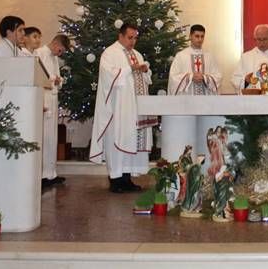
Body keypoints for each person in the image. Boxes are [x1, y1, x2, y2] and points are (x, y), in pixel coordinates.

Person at [89, 23, 154, 193]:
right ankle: (115, 179)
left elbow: (145, 78)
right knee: (118, 138)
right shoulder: (110, 53)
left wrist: (145, 71)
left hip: (136, 108)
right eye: (130, 37)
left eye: (135, 38)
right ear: (121, 35)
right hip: (119, 108)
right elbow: (108, 75)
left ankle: (127, 178)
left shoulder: (137, 54)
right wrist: (129, 69)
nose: (133, 41)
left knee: (131, 139)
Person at [35, 34, 71, 188]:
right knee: (44, 135)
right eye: (60, 50)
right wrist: (53, 79)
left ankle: (51, 173)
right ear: (55, 42)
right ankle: (41, 174)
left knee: (52, 137)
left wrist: (58, 80)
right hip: (44, 96)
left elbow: (59, 78)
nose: (59, 53)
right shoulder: (39, 53)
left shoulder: (54, 58)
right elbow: (39, 76)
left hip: (53, 97)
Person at [167, 24, 222, 95]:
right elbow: (173, 77)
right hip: (187, 98)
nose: (200, 39)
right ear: (190, 36)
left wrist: (204, 78)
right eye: (197, 36)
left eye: (202, 36)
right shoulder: (181, 56)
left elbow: (218, 76)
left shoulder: (209, 56)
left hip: (206, 99)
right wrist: (190, 77)